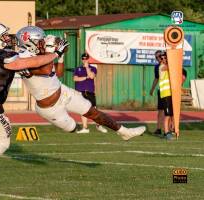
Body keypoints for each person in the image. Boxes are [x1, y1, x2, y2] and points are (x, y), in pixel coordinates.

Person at [0, 23, 68, 198]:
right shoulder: (5, 56)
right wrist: (55, 54)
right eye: (4, 36)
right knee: (3, 143)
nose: (7, 38)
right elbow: (29, 62)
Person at [15, 26, 145, 141]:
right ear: (30, 43)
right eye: (41, 41)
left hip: (63, 92)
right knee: (71, 127)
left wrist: (60, 56)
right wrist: (52, 51)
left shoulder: (41, 54)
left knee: (93, 112)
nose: (43, 43)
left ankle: (124, 132)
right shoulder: (23, 58)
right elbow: (45, 69)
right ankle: (75, 127)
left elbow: (58, 73)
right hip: (49, 108)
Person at [73, 53, 108, 134]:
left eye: (86, 58)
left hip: (90, 92)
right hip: (80, 92)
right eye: (83, 59)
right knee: (83, 110)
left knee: (94, 110)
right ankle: (85, 128)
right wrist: (85, 78)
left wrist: (87, 68)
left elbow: (91, 76)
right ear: (81, 59)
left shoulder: (93, 68)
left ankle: (99, 126)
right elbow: (75, 79)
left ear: (88, 59)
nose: (84, 60)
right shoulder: (78, 69)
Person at [158, 52, 173, 139]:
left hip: (169, 94)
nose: (164, 59)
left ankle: (168, 130)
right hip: (165, 94)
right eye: (162, 58)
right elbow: (170, 66)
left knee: (170, 114)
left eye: (165, 58)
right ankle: (166, 133)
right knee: (167, 115)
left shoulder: (167, 67)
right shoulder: (162, 67)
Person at [149, 50, 164, 135]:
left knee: (169, 112)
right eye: (156, 57)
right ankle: (158, 129)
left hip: (169, 91)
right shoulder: (156, 67)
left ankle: (171, 129)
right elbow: (156, 79)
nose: (158, 58)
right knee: (160, 111)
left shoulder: (168, 65)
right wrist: (152, 89)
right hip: (161, 90)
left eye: (159, 56)